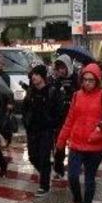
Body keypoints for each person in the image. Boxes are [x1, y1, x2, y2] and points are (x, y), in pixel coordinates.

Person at [56, 63, 102, 203]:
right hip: (76, 143)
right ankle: (77, 202)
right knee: (72, 176)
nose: (87, 83)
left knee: (89, 179)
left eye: (91, 80)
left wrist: (97, 133)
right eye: (85, 79)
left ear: (97, 81)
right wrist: (61, 140)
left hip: (95, 146)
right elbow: (70, 119)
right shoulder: (76, 96)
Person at [22, 64, 61, 195]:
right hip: (32, 130)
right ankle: (46, 172)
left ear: (43, 77)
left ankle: (44, 185)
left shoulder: (52, 91)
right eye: (33, 74)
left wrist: (52, 123)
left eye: (37, 74)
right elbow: (25, 108)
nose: (34, 77)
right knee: (33, 156)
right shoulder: (31, 91)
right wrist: (26, 123)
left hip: (46, 130)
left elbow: (58, 111)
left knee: (44, 156)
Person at [50, 54, 78, 178]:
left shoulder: (75, 78)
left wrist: (70, 90)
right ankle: (58, 167)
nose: (61, 70)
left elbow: (80, 94)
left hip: (73, 116)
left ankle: (75, 166)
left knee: (75, 143)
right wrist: (56, 86)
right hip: (59, 116)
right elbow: (51, 96)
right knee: (59, 142)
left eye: (63, 67)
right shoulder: (55, 80)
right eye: (58, 68)